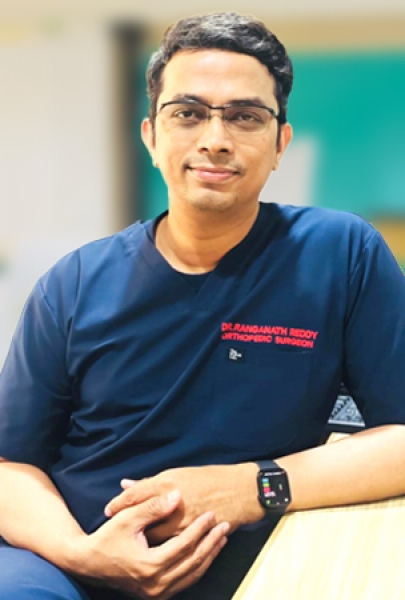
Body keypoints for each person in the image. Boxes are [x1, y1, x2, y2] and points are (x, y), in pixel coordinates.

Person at [1, 11, 405, 600]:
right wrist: (82, 553)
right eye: (188, 113)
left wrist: (251, 488)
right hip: (70, 566)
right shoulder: (74, 282)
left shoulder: (339, 254)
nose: (215, 138)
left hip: (256, 564)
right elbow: (9, 466)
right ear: (151, 137)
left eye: (245, 116)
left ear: (280, 144)